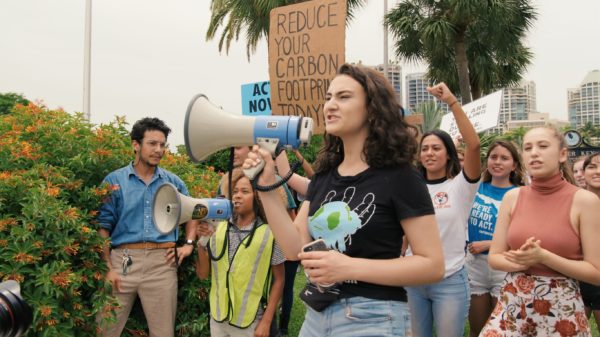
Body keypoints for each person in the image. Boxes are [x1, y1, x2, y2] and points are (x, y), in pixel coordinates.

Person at [245, 63, 444, 337]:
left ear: (372, 109)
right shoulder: (324, 176)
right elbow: (294, 248)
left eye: (343, 97)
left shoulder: (401, 176)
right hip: (317, 317)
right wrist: (265, 187)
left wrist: (348, 267)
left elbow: (432, 264)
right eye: (328, 97)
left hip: (373, 317)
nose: (330, 105)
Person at [481, 126, 600, 336]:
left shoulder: (585, 201)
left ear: (562, 154)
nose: (534, 152)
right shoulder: (513, 197)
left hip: (561, 306)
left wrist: (544, 257)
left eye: (543, 146)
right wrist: (523, 261)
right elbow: (494, 257)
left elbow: (596, 272)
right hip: (513, 300)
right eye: (528, 148)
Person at [96, 117, 197, 337]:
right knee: (105, 329)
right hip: (122, 261)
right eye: (152, 143)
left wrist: (188, 244)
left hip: (162, 263)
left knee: (163, 333)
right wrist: (108, 268)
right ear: (136, 145)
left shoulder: (174, 183)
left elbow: (193, 213)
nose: (158, 150)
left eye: (162, 145)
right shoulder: (114, 181)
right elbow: (103, 227)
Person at [405, 83, 481, 337]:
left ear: (448, 154)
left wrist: (452, 102)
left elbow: (473, 146)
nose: (429, 153)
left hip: (449, 281)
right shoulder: (409, 187)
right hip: (413, 280)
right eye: (424, 148)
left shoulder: (460, 187)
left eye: (436, 148)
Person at [195, 168, 285, 337]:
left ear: (258, 197)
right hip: (218, 318)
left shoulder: (270, 234)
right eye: (234, 191)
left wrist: (266, 321)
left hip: (249, 321)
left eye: (245, 191)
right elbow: (202, 274)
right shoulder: (218, 227)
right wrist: (201, 244)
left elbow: (279, 280)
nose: (237, 196)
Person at [465, 140, 525, 337]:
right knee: (477, 328)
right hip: (474, 266)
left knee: (503, 329)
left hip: (504, 266)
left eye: (504, 158)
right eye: (493, 157)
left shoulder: (521, 194)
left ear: (514, 165)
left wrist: (490, 244)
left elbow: (525, 233)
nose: (498, 162)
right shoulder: (475, 188)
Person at [581, 153, 600, 332]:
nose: (597, 171)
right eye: (592, 167)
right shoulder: (573, 202)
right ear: (584, 172)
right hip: (578, 279)